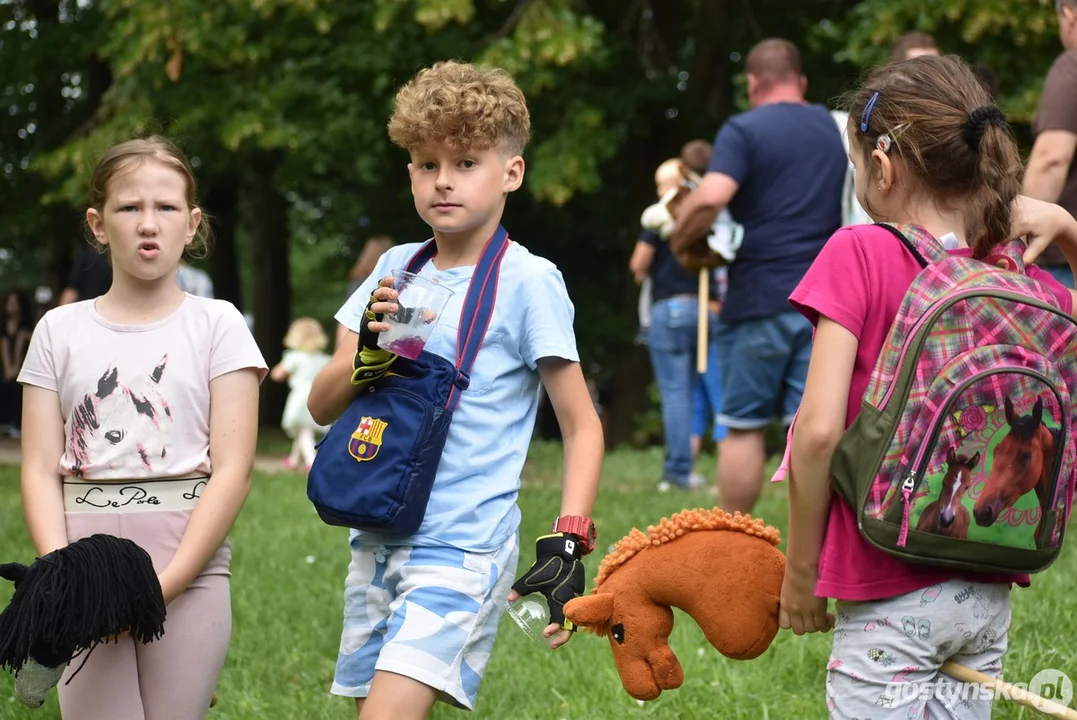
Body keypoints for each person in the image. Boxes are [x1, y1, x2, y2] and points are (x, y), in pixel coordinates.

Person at [776, 55, 1077, 718]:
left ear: (882, 167)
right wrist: (1069, 232)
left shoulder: (856, 252)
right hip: (985, 591)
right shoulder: (1016, 277)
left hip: (882, 585)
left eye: (857, 167)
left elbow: (818, 432)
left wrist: (800, 575)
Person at [306, 61, 604, 719]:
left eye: (466, 162)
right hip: (376, 534)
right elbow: (319, 404)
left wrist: (568, 540)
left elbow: (581, 424)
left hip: (463, 544)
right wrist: (367, 354)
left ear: (511, 173)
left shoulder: (529, 282)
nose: (442, 180)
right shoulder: (395, 269)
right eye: (424, 163)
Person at [17, 136, 268, 718]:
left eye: (167, 208)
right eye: (129, 208)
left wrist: (166, 585)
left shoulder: (218, 325)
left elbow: (233, 471)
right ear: (98, 223)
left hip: (190, 571)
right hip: (85, 568)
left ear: (192, 223)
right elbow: (36, 468)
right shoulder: (58, 330)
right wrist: (67, 578)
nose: (148, 223)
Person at [670, 38, 847, 515]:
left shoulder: (744, 129)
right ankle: (815, 549)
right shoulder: (836, 129)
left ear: (753, 83)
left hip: (759, 300)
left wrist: (679, 241)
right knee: (813, 428)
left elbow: (710, 198)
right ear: (801, 81)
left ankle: (732, 543)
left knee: (743, 425)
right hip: (827, 303)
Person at [630, 156, 722, 491]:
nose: (659, 191)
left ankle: (678, 472)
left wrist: (644, 271)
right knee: (717, 390)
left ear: (675, 184)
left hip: (670, 311)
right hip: (706, 310)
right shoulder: (707, 215)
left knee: (675, 394)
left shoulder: (660, 216)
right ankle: (727, 468)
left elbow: (638, 263)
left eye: (661, 184)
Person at [1023, 0, 1077, 286]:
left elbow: (1051, 159)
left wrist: (1020, 236)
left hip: (1067, 261)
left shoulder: (1073, 66)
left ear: (1068, 14)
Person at [269, 316, 331, 471]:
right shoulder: (324, 359)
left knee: (303, 431)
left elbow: (276, 374)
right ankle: (293, 460)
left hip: (300, 398)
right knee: (303, 430)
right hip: (318, 397)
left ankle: (312, 462)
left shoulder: (294, 357)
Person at [337, 235, 395, 349]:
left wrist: (340, 348)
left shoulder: (358, 280)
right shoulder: (394, 280)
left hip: (357, 336)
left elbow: (348, 318)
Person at [0, 289, 32, 437]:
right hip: (6, 369)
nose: (12, 306)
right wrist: (9, 369)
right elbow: (4, 347)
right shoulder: (3, 327)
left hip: (23, 368)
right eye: (9, 303)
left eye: (15, 303)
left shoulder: (27, 327)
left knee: (17, 388)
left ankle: (16, 424)